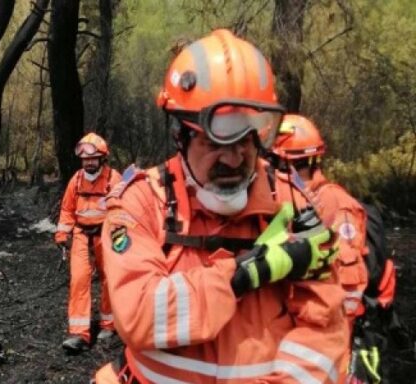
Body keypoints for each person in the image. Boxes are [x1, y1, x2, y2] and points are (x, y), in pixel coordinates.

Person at [92, 29, 348, 383]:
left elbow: (326, 332)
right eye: (216, 139)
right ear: (180, 135)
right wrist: (247, 273)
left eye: (247, 137)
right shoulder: (141, 202)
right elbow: (139, 315)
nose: (233, 156)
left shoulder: (292, 203)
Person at [271, 114, 369, 327]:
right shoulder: (295, 202)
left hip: (328, 328)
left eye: (276, 166)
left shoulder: (335, 204)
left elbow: (349, 281)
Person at [55, 132, 122, 352]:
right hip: (82, 235)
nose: (89, 163)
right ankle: (79, 334)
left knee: (109, 279)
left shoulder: (114, 179)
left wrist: (120, 239)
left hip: (106, 235)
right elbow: (67, 209)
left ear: (102, 158)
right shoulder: (76, 180)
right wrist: (62, 234)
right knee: (79, 281)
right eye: (85, 159)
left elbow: (124, 211)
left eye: (93, 159)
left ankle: (109, 324)